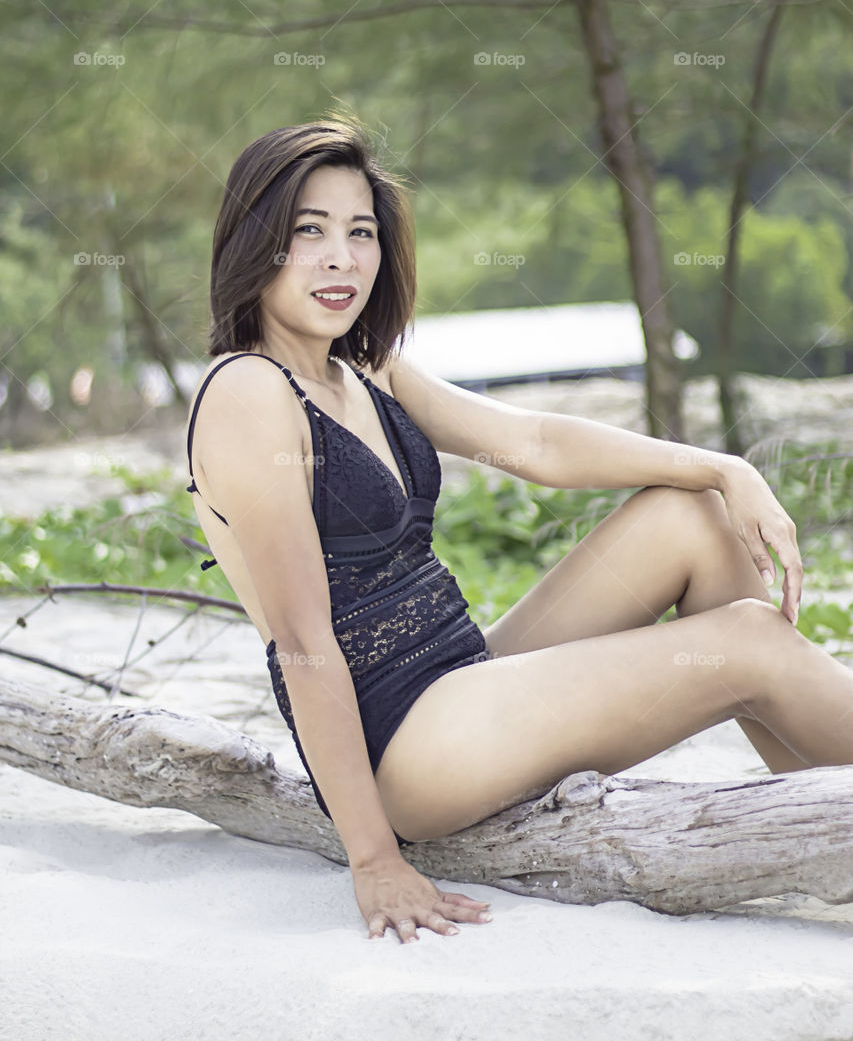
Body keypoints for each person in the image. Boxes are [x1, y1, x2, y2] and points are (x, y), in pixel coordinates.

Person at [186, 115, 850, 946]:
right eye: (306, 231)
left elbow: (532, 442)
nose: (340, 258)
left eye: (360, 232)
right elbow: (300, 639)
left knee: (690, 516)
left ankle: (832, 815)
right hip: (407, 747)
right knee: (747, 642)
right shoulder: (250, 394)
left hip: (464, 675)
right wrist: (372, 860)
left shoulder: (361, 368)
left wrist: (721, 467)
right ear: (256, 243)